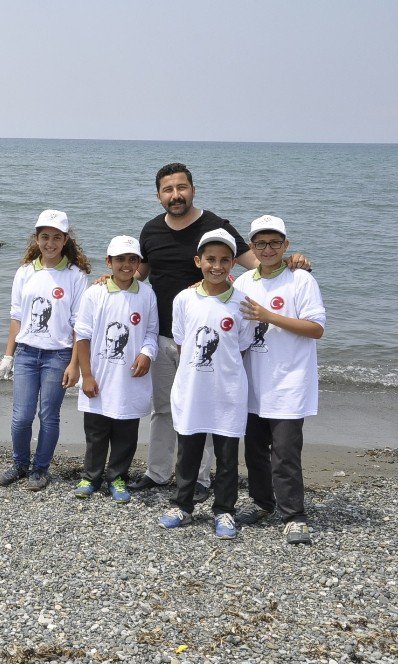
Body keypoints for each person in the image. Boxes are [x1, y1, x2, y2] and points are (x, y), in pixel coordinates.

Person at [129, 162, 310, 502]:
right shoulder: (151, 231)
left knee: (205, 407)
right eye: (168, 190)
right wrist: (109, 280)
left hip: (209, 337)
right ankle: (157, 472)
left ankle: (199, 478)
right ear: (158, 196)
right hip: (165, 336)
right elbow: (139, 274)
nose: (175, 195)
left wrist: (291, 265)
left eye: (181, 188)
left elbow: (257, 263)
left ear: (193, 190)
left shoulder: (215, 226)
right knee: (164, 409)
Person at [158, 229, 256, 540]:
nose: (217, 266)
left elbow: (240, 347)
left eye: (225, 260)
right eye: (210, 259)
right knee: (188, 451)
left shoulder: (242, 303)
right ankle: (182, 505)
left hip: (227, 390)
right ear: (198, 261)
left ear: (233, 264)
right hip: (192, 389)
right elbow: (183, 343)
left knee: (227, 455)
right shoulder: (185, 298)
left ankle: (224, 510)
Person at [234, 215, 325, 545]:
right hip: (253, 384)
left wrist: (270, 316)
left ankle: (294, 515)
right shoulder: (244, 283)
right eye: (261, 243)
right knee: (255, 451)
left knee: (285, 452)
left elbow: (316, 328)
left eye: (275, 242)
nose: (268, 248)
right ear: (252, 247)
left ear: (286, 245)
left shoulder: (300, 280)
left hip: (289, 383)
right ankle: (262, 504)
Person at [0, 210, 90, 491]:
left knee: (48, 415)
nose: (50, 243)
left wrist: (75, 365)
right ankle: (19, 465)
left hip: (58, 355)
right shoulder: (25, 272)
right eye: (44, 237)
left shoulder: (76, 276)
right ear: (36, 239)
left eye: (56, 238)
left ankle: (40, 469)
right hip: (26, 353)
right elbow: (16, 317)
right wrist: (8, 355)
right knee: (21, 416)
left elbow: (79, 327)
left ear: (65, 240)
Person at [73, 236, 158, 503]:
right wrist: (86, 375)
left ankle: (117, 476)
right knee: (96, 431)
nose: (126, 264)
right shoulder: (94, 293)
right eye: (119, 259)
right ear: (109, 262)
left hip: (131, 378)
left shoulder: (146, 293)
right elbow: (82, 336)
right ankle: (91, 475)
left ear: (138, 263)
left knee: (126, 432)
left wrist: (146, 353)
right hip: (99, 375)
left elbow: (152, 332)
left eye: (132, 259)